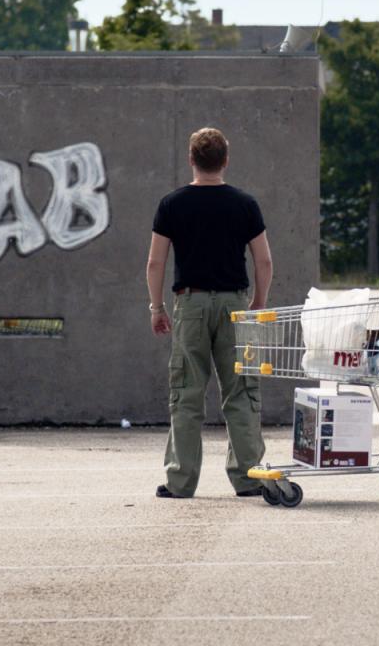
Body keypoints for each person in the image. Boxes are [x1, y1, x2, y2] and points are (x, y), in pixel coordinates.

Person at [146, 127, 273, 499]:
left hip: (191, 303)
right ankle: (247, 477)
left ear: (191, 160)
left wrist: (157, 307)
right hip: (235, 304)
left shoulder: (172, 204)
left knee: (187, 392)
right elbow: (263, 259)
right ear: (225, 160)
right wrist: (259, 301)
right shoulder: (245, 204)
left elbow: (155, 262)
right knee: (241, 390)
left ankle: (181, 481)